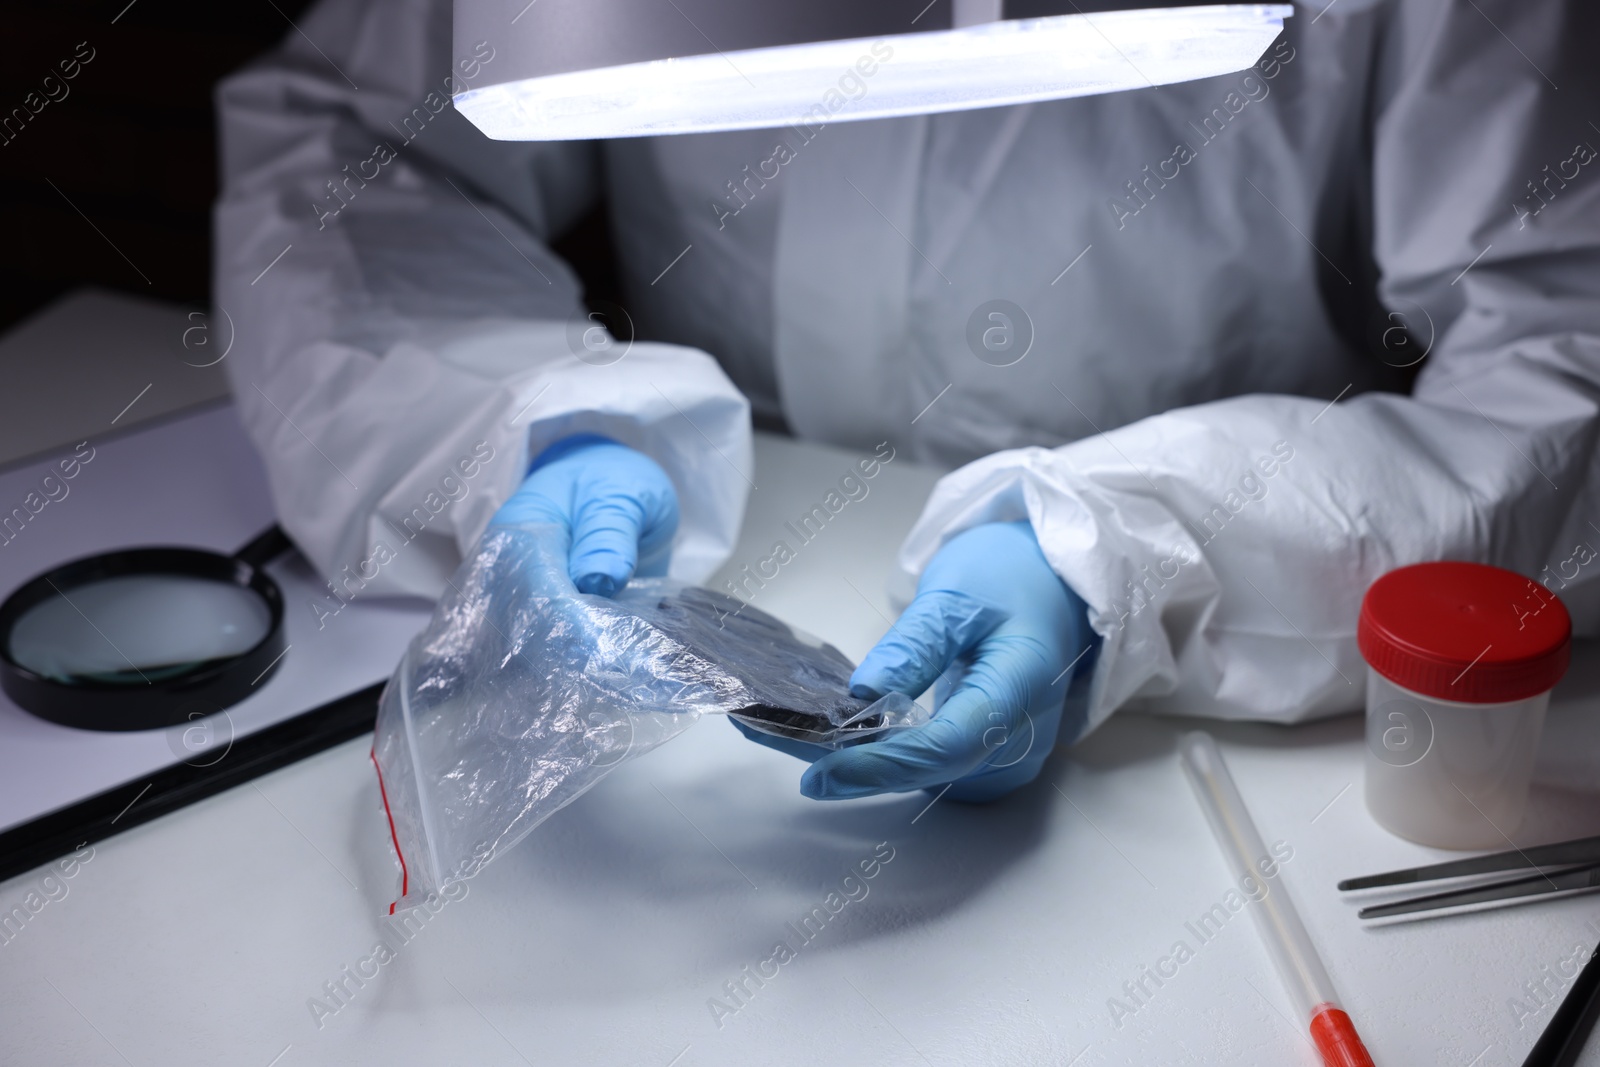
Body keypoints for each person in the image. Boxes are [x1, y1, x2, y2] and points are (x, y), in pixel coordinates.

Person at [215, 0, 1600, 802]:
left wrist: (1141, 554)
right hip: (744, 545)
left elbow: (1567, 360)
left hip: (1208, 735)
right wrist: (506, 424)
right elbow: (350, 151)